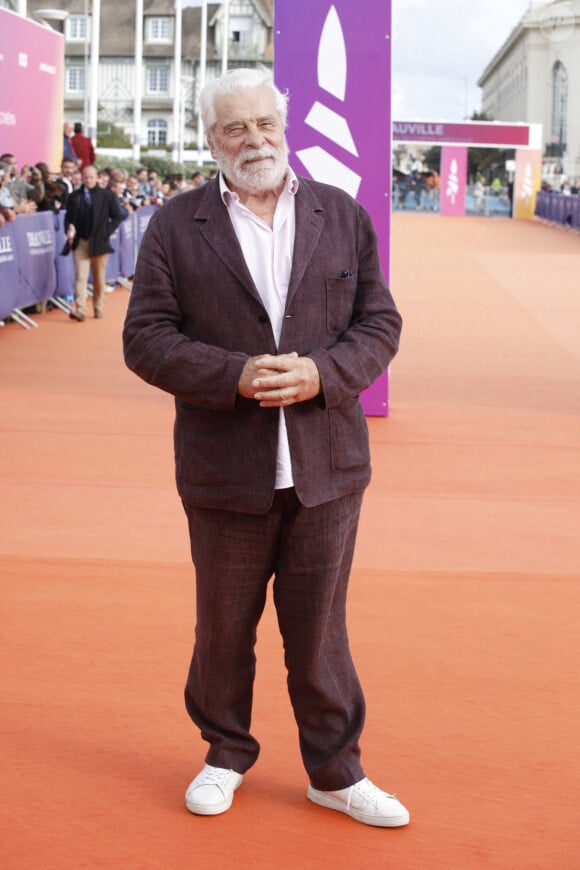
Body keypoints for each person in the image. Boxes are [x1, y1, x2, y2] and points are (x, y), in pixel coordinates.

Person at [122, 67, 408, 829]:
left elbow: (380, 324)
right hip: (224, 471)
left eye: (264, 124)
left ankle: (335, 772)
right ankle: (224, 752)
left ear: (286, 127)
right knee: (222, 626)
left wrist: (323, 372)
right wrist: (235, 376)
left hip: (329, 468)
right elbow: (144, 338)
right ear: (210, 140)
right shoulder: (177, 226)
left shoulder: (342, 215)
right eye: (233, 129)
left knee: (320, 630)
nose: (253, 140)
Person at [64, 165, 123, 320]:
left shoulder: (107, 196)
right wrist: (69, 228)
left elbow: (117, 216)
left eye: (91, 177)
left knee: (98, 278)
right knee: (80, 276)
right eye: (86, 177)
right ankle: (80, 309)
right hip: (81, 242)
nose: (88, 180)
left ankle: (97, 306)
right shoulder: (74, 196)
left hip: (99, 243)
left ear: (97, 178)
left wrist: (107, 232)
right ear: (82, 178)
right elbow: (68, 218)